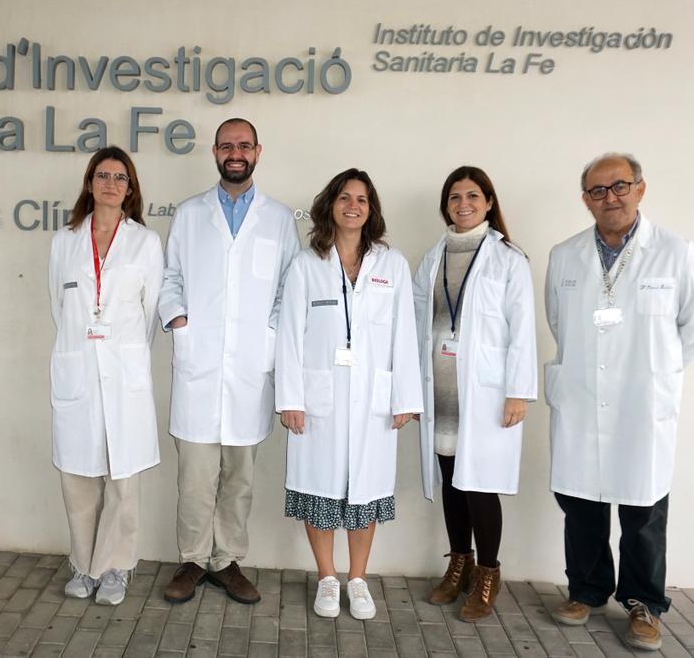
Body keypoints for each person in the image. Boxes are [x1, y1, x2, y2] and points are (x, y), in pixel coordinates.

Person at [544, 153, 694, 650]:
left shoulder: (676, 253)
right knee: (580, 504)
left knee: (643, 510)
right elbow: (560, 320)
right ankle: (587, 590)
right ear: (585, 200)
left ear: (640, 189)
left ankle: (644, 602)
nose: (610, 197)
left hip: (642, 403)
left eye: (619, 186)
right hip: (581, 398)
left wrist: (657, 371)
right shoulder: (565, 255)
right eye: (598, 191)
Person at [158, 118, 301, 605]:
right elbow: (170, 276)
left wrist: (269, 335)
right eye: (227, 146)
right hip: (199, 365)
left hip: (248, 369)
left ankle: (227, 561)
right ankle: (194, 560)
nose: (235, 153)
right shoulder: (190, 213)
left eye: (244, 145)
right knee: (195, 476)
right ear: (214, 152)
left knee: (238, 477)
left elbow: (290, 288)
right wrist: (179, 322)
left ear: (258, 151)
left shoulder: (279, 219)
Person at [275, 168, 423, 620]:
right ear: (330, 206)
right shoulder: (306, 264)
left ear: (371, 209)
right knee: (317, 485)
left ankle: (357, 579)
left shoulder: (391, 263)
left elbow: (404, 334)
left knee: (366, 488)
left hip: (373, 400)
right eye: (344, 198)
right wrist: (290, 399)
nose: (353, 205)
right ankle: (326, 577)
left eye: (361, 199)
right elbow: (289, 336)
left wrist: (405, 399)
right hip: (318, 398)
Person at [412, 166, 537, 621]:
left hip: (485, 392)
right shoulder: (434, 256)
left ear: (488, 201)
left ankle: (487, 573)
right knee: (451, 481)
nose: (462, 204)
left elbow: (522, 330)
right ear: (445, 205)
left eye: (472, 196)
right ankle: (458, 563)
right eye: (454, 197)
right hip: (442, 386)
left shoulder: (509, 259)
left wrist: (518, 392)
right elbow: (417, 318)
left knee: (480, 486)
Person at [47, 146, 164, 606]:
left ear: (130, 188)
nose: (110, 184)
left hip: (123, 372)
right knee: (77, 478)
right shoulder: (64, 241)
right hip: (78, 367)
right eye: (101, 175)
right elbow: (59, 306)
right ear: (89, 183)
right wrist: (85, 346)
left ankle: (115, 568)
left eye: (119, 177)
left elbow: (150, 312)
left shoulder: (145, 242)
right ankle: (82, 564)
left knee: (122, 480)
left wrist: (124, 356)